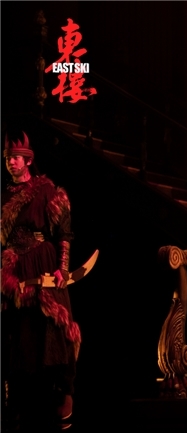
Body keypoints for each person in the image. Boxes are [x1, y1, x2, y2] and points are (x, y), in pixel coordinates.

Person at [1, 130, 80, 430]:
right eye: (8, 158)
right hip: (15, 271)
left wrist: (63, 268)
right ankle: (19, 404)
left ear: (28, 160)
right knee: (19, 336)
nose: (11, 162)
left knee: (53, 328)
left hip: (43, 265)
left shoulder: (45, 191)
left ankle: (63, 394)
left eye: (16, 158)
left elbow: (63, 233)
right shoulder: (4, 196)